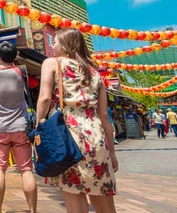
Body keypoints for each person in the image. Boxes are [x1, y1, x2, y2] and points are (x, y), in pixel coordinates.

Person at [36, 27, 117, 213]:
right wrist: (111, 152)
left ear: (65, 43)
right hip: (96, 134)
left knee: (74, 196)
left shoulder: (52, 63)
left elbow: (45, 98)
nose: (53, 45)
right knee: (103, 199)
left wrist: (38, 125)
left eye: (55, 41)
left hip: (68, 133)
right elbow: (104, 115)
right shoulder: (95, 72)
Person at [0, 41, 37, 213]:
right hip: (20, 127)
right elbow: (30, 85)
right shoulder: (20, 71)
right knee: (26, 170)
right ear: (14, 57)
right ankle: (32, 210)